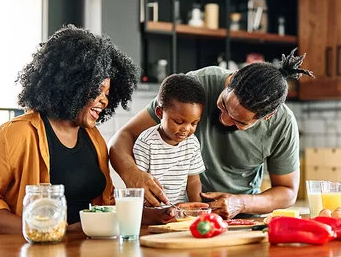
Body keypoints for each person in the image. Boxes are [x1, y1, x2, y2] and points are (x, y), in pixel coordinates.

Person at [0, 24, 140, 234]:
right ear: (70, 85)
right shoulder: (13, 135)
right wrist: (43, 229)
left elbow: (106, 203)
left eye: (108, 94)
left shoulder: (94, 137)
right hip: (32, 256)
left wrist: (152, 213)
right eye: (97, 91)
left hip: (88, 254)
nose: (103, 101)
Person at [109, 48, 314, 219]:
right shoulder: (196, 86)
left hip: (238, 221)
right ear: (231, 79)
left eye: (239, 121)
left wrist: (241, 203)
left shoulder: (282, 124)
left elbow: (287, 192)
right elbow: (122, 137)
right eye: (223, 105)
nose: (224, 119)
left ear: (266, 117)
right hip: (178, 218)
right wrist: (133, 175)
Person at [133, 74, 206, 205]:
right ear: (160, 113)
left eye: (194, 123)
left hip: (179, 212)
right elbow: (138, 185)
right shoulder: (146, 142)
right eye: (178, 122)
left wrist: (198, 209)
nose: (186, 129)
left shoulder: (192, 142)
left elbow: (193, 180)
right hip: (151, 212)